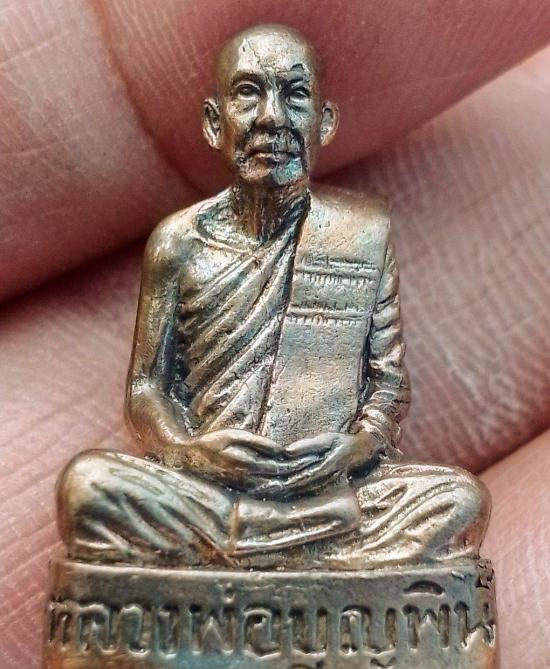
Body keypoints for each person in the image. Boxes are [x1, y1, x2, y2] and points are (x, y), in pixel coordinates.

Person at [55, 25, 489, 568]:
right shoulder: (178, 243)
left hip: (327, 487)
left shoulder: (359, 237)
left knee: (461, 501)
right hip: (211, 487)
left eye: (295, 95)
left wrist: (356, 448)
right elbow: (147, 389)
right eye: (248, 93)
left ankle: (241, 546)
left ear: (323, 122)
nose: (271, 118)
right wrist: (188, 453)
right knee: (88, 486)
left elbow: (387, 385)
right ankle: (300, 549)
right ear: (215, 123)